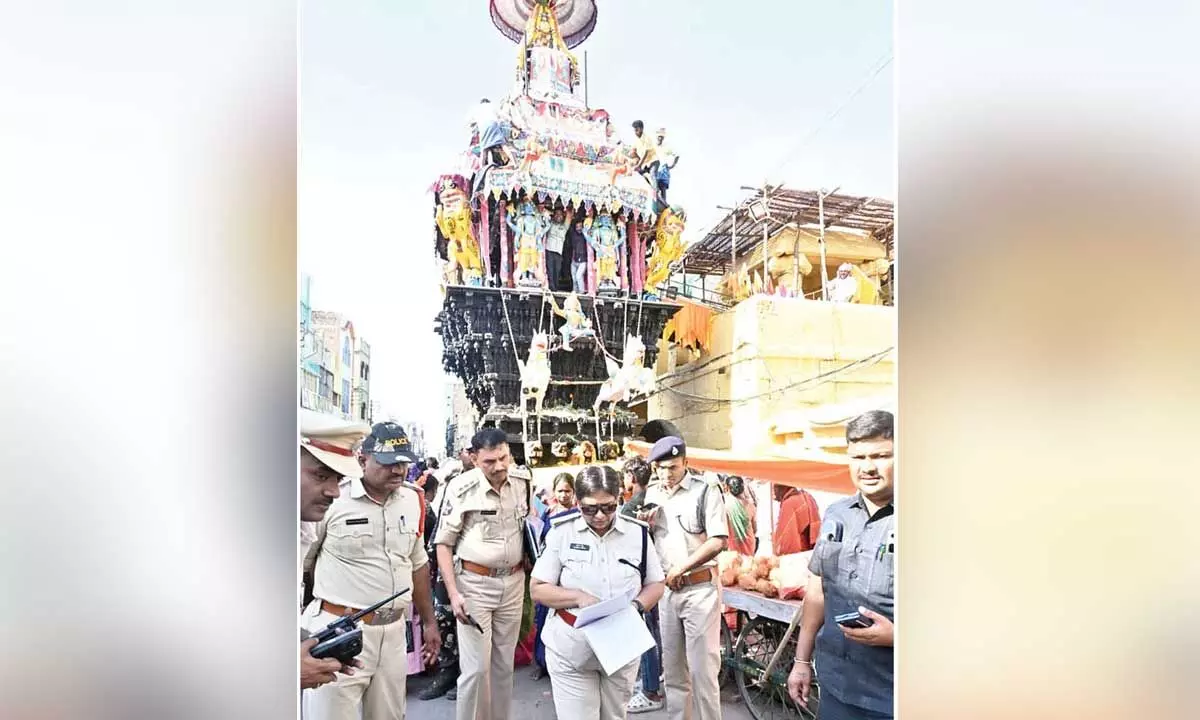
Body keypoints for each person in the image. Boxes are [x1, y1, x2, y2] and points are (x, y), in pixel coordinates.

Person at [302, 422, 442, 719]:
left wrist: (429, 622)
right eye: (389, 463)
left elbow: (416, 563)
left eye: (403, 462)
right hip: (339, 631)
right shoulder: (331, 497)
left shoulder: (412, 498)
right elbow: (305, 563)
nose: (398, 470)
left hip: (392, 633)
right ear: (362, 460)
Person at [531, 465, 666, 720]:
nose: (600, 516)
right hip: (571, 648)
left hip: (621, 647)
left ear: (619, 499)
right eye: (590, 509)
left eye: (608, 507)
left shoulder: (637, 533)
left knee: (614, 716)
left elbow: (656, 583)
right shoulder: (562, 532)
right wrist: (578, 597)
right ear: (577, 502)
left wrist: (636, 606)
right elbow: (537, 589)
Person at [787, 410, 895, 720]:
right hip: (836, 686)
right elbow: (818, 591)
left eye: (881, 455)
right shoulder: (837, 514)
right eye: (858, 457)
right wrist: (802, 662)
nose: (868, 467)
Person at [434, 428, 534, 720]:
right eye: (490, 461)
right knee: (477, 669)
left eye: (504, 458)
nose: (500, 466)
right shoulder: (460, 488)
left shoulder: (522, 481)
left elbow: (527, 526)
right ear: (475, 459)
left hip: (513, 584)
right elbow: (443, 544)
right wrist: (453, 594)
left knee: (504, 666)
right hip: (474, 587)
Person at [639, 436, 728, 720]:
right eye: (661, 468)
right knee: (675, 675)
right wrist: (644, 526)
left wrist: (682, 567)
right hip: (667, 592)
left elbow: (718, 541)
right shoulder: (653, 492)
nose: (667, 474)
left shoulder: (705, 490)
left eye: (673, 467)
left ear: (686, 463)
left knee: (703, 674)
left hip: (699, 589)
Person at [299, 410, 369, 691]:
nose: (335, 492)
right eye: (320, 475)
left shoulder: (300, 527)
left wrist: (312, 647)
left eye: (337, 479)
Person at [619, 456, 664, 714]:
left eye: (625, 476)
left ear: (631, 478)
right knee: (653, 633)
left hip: (641, 580)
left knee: (644, 636)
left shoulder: (631, 507)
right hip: (656, 578)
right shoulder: (656, 498)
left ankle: (650, 691)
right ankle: (653, 680)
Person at [532, 473, 578, 680]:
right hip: (548, 574)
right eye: (560, 490)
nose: (564, 495)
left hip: (568, 575)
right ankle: (543, 663)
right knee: (543, 618)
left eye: (568, 490)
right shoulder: (548, 514)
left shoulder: (579, 515)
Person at [772, 482, 821, 554]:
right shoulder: (807, 496)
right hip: (811, 551)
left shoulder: (789, 504)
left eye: (774, 488)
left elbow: (787, 540)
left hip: (798, 554)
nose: (774, 493)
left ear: (782, 488)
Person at [544, 208, 569, 291]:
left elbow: (569, 215)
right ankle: (551, 287)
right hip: (549, 249)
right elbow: (544, 212)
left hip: (558, 251)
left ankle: (555, 287)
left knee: (557, 270)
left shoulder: (565, 226)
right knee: (550, 270)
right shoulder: (550, 223)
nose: (559, 216)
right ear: (554, 216)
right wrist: (550, 213)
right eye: (557, 214)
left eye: (560, 214)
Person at [653, 128, 679, 203]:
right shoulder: (653, 146)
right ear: (657, 137)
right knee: (654, 188)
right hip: (654, 168)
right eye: (659, 136)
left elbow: (677, 155)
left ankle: (664, 203)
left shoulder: (667, 147)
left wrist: (672, 165)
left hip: (663, 169)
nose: (660, 138)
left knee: (663, 188)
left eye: (662, 137)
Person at [568, 214, 590, 294]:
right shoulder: (573, 235)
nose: (579, 229)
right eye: (577, 227)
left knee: (578, 276)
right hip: (574, 260)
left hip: (583, 261)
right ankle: (575, 292)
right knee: (574, 278)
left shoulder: (586, 236)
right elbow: (570, 227)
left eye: (580, 226)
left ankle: (581, 292)